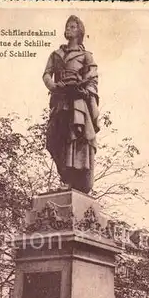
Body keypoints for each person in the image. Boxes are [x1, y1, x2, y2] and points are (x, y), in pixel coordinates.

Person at [43, 15, 99, 194]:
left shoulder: (86, 56)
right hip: (60, 100)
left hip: (77, 102)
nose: (68, 28)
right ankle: (65, 177)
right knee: (53, 140)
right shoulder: (56, 54)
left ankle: (70, 180)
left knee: (73, 138)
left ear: (79, 31)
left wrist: (84, 91)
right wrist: (53, 87)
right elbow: (46, 74)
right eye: (67, 26)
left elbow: (92, 79)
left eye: (73, 26)